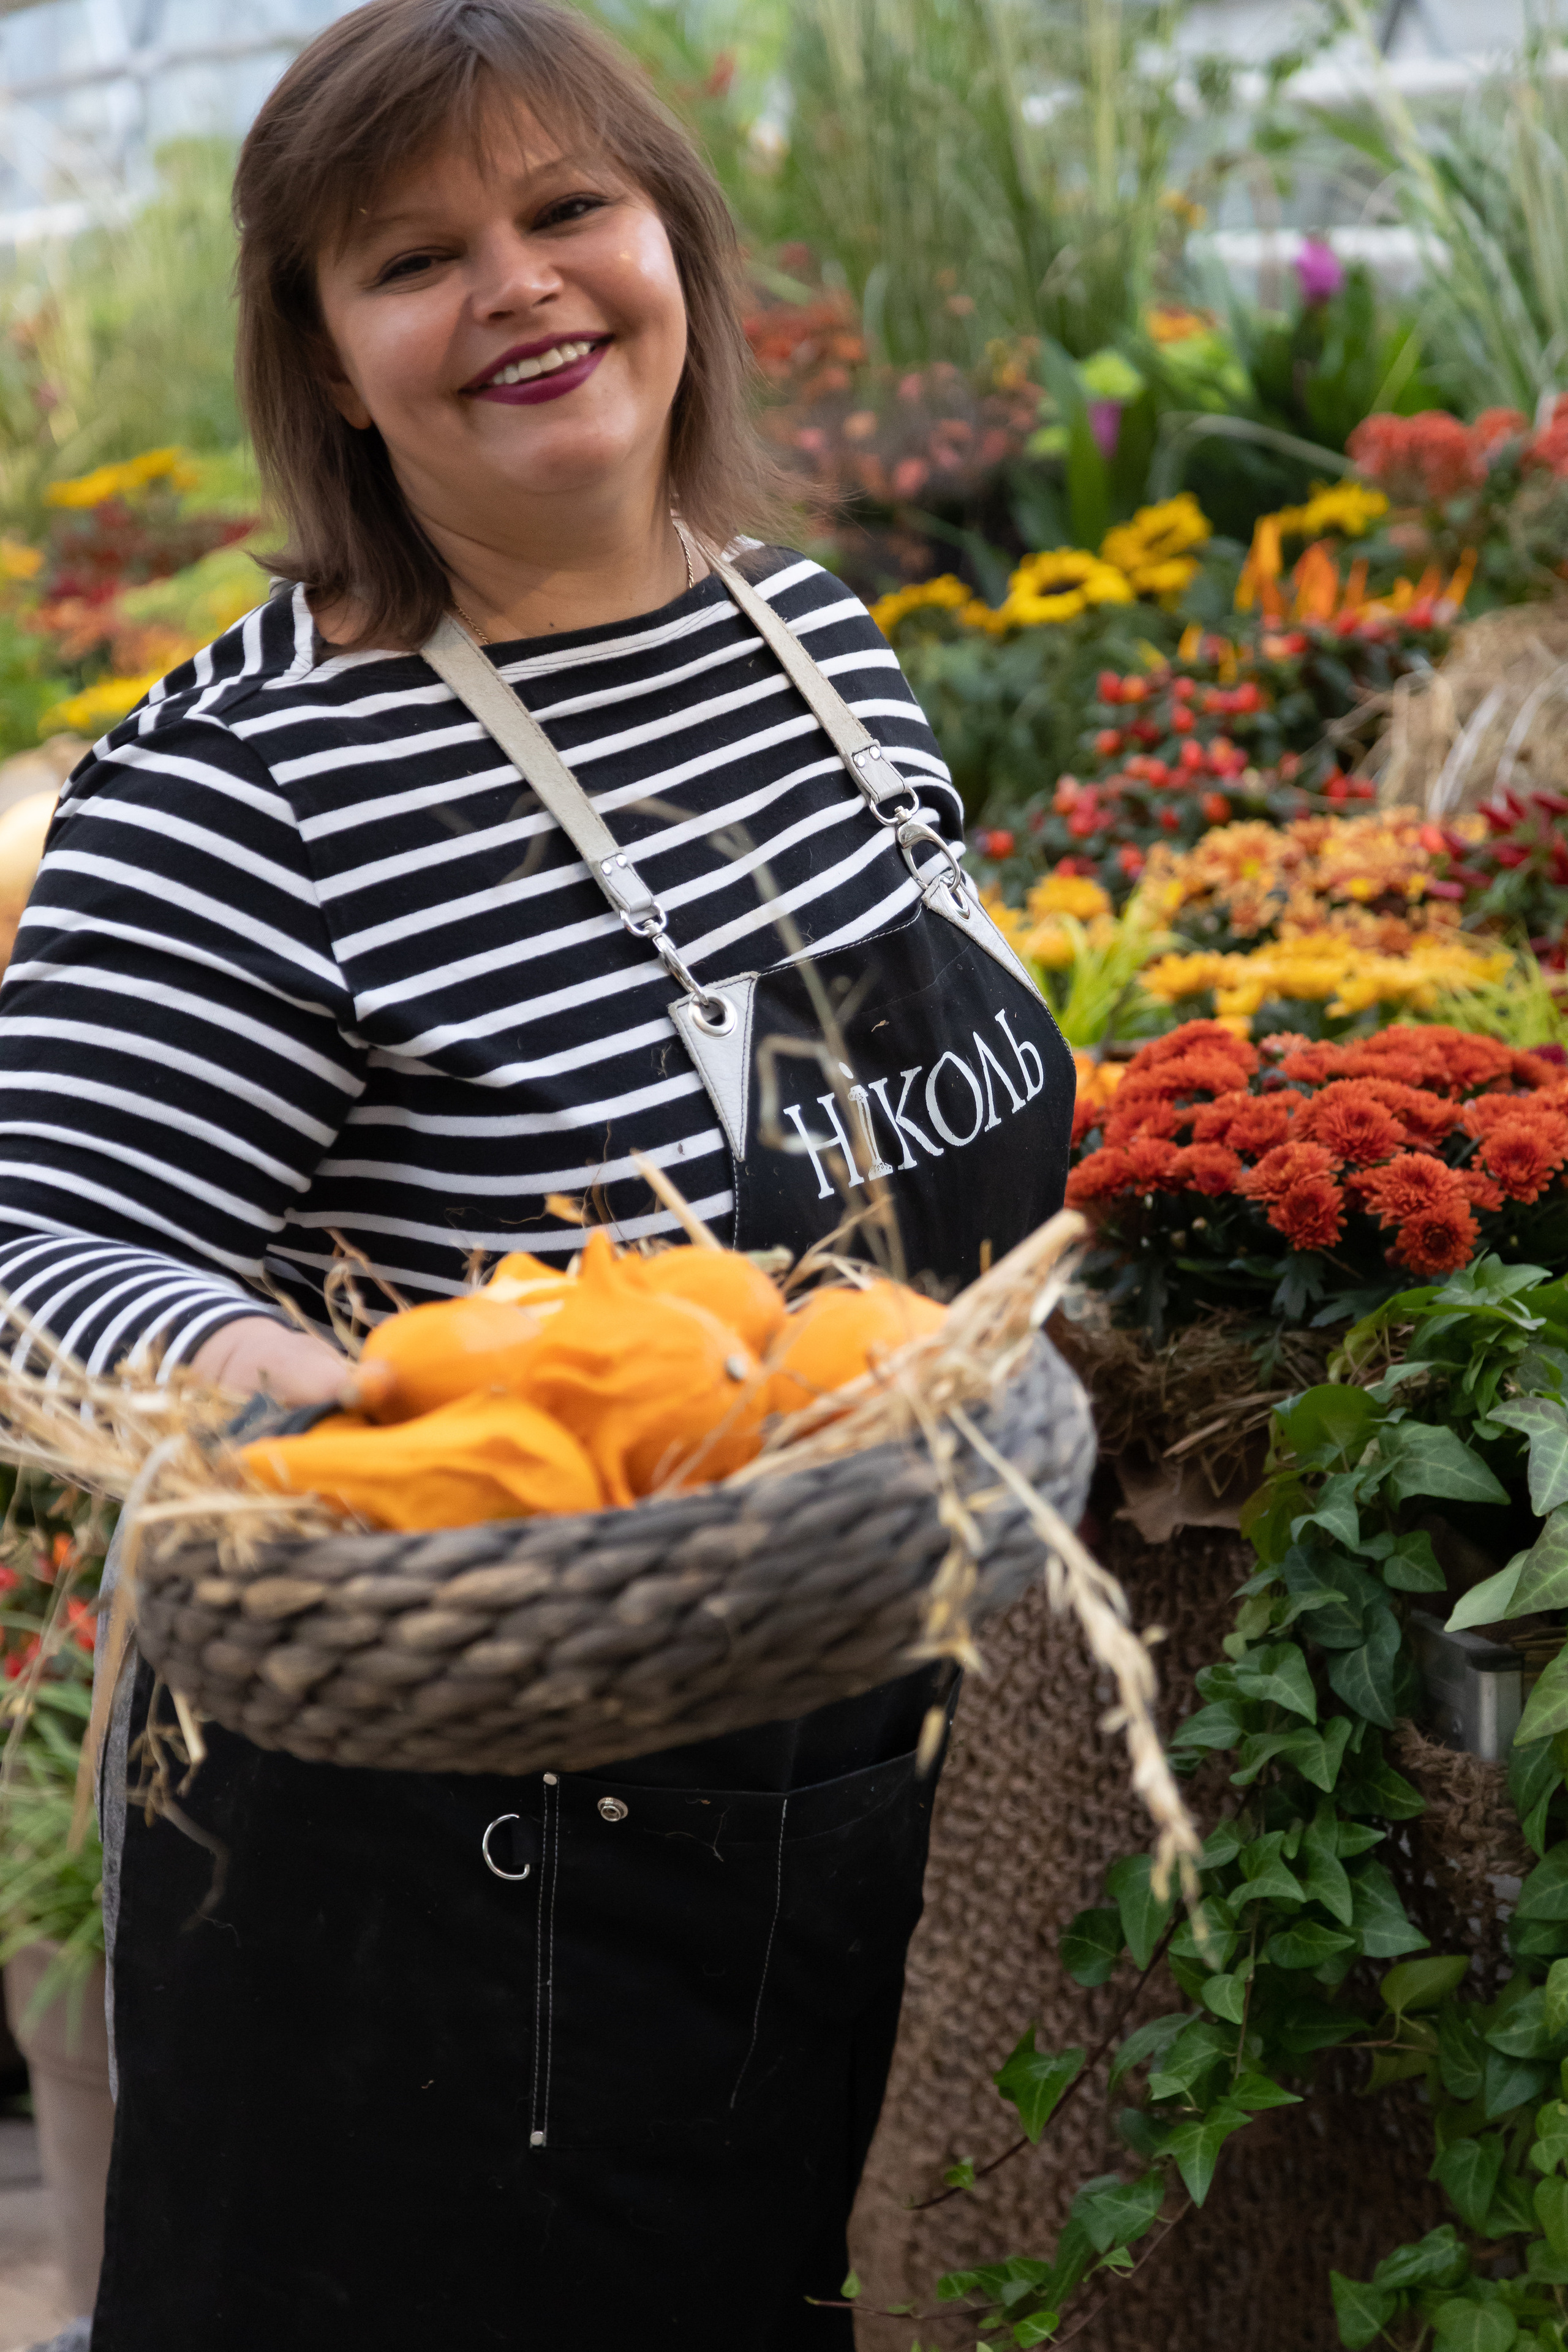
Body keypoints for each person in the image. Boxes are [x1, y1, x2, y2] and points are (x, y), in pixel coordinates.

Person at [0, 1, 1074, 2342]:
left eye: (570, 209)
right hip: (462, 1893)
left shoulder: (808, 637)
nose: (522, 286)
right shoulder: (250, 780)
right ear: (332, 360)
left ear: (672, 243)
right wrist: (318, 1401)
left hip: (840, 1797)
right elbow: (38, 1239)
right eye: (415, 257)